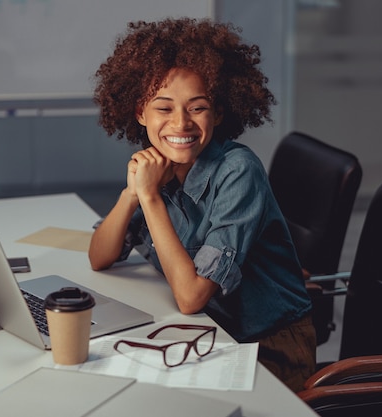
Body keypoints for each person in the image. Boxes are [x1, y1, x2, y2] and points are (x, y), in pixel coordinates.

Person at [88, 17, 316, 392]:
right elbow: (99, 257)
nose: (181, 124)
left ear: (219, 113)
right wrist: (132, 194)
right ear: (140, 113)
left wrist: (149, 198)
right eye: (164, 109)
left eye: (197, 108)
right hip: (205, 335)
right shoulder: (156, 165)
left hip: (267, 348)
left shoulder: (238, 171)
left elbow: (192, 296)